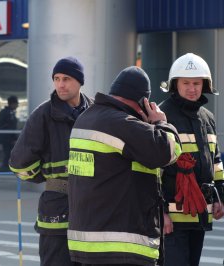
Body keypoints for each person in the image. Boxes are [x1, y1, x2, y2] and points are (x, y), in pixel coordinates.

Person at [67, 66, 182, 266]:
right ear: (143, 102)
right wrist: (162, 123)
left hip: (86, 244)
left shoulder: (85, 119)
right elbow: (167, 151)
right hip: (120, 246)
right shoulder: (122, 123)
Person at [9, 57, 92, 266]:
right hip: (57, 211)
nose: (60, 84)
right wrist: (48, 178)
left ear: (80, 81)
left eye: (66, 79)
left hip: (92, 210)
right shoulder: (43, 115)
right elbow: (18, 163)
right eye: (56, 79)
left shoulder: (94, 112)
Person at [158, 53, 224, 266]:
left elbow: (215, 162)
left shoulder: (207, 117)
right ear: (174, 84)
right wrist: (160, 212)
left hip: (200, 215)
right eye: (185, 83)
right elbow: (153, 169)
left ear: (205, 85)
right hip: (172, 219)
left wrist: (219, 197)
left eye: (197, 83)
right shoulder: (162, 115)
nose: (192, 88)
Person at [0, 95, 19, 172]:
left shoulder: (8, 112)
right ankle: (3, 169)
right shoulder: (8, 113)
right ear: (12, 104)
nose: (17, 105)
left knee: (8, 154)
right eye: (16, 103)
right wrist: (13, 138)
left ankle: (5, 169)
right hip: (7, 138)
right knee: (8, 154)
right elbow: (8, 127)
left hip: (7, 138)